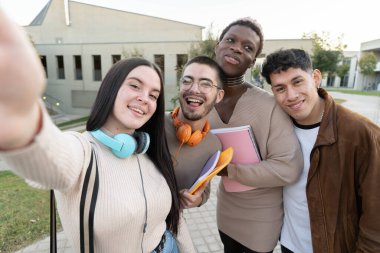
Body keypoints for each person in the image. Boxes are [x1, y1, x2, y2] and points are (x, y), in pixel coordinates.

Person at [0, 10, 196, 253]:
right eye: (135, 85)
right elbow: (52, 159)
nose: (144, 98)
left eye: (153, 95)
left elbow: (174, 220)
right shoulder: (82, 152)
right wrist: (22, 120)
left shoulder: (149, 149)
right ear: (111, 89)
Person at [261, 48, 380, 253]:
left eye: (297, 82)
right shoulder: (276, 128)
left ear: (315, 78)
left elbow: (376, 215)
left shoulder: (361, 133)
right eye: (280, 88)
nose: (291, 96)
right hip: (288, 244)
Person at [208, 17, 303, 253]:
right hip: (226, 209)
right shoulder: (203, 102)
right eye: (230, 40)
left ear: (252, 62)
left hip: (261, 218)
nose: (237, 48)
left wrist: (230, 170)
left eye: (248, 47)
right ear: (217, 46)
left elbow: (288, 168)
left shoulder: (269, 105)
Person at [165, 56, 224, 209]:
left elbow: (204, 190)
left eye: (205, 84)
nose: (194, 89)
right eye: (187, 81)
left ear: (219, 96)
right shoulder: (152, 123)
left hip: (170, 224)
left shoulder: (214, 146)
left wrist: (196, 200)